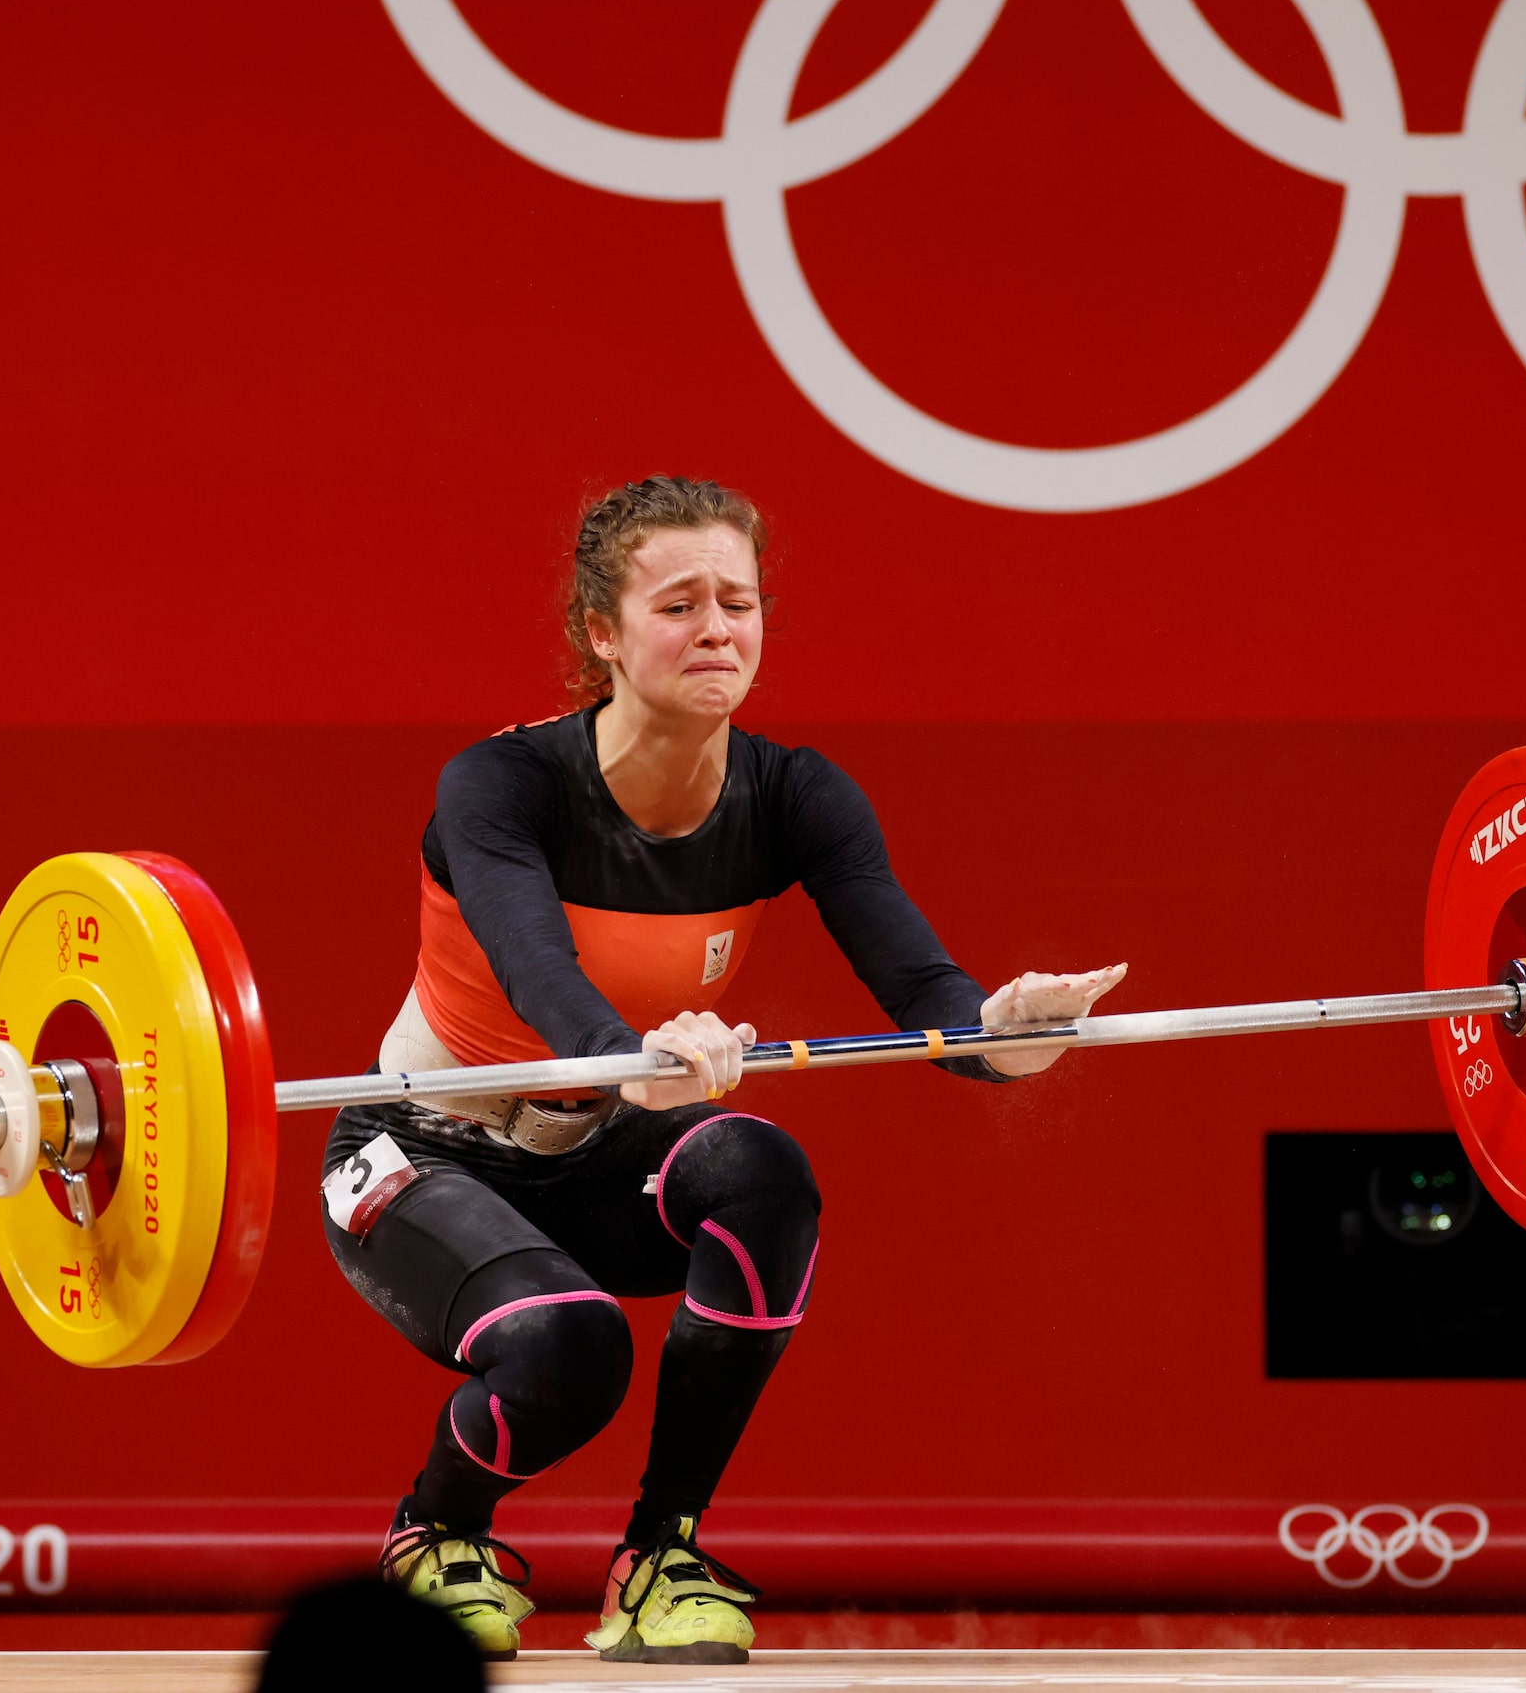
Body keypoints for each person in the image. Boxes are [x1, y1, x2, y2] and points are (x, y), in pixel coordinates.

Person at [320, 476, 1124, 1665]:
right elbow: (538, 972)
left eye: (738, 603)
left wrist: (1006, 1035)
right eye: (679, 603)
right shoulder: (502, 787)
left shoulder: (797, 798)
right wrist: (628, 1056)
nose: (716, 629)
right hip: (423, 1149)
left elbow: (928, 1007)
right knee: (569, 1348)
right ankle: (436, 1535)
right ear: (602, 633)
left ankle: (662, 1553)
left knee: (761, 1175)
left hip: (597, 1140)